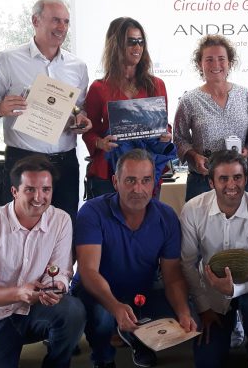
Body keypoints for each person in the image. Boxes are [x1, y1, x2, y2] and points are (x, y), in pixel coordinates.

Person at [73, 149, 197, 368]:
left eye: (145, 180)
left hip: (141, 290)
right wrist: (115, 306)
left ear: (154, 182)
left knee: (186, 310)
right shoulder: (92, 212)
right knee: (102, 317)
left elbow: (172, 278)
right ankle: (103, 357)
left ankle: (137, 339)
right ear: (115, 181)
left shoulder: (167, 216)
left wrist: (184, 312)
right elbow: (88, 272)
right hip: (97, 291)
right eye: (130, 180)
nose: (138, 189)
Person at [0, 155, 85, 368]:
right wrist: (19, 293)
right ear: (14, 191)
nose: (39, 197)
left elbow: (60, 270)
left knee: (72, 310)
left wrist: (55, 287)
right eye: (30, 189)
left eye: (46, 190)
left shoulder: (61, 220)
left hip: (34, 310)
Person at [0, 0, 91, 222]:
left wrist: (82, 121)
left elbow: (80, 110)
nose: (62, 28)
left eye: (66, 22)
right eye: (56, 20)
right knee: (21, 227)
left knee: (65, 225)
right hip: (23, 159)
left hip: (65, 161)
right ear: (35, 21)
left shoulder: (77, 67)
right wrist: (0, 108)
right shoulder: (7, 60)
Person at [180, 150, 248, 368]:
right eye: (223, 178)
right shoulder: (193, 210)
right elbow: (187, 263)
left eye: (238, 177)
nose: (232, 185)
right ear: (211, 182)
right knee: (207, 362)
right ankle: (230, 322)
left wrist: (234, 291)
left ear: (246, 178)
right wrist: (203, 308)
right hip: (210, 289)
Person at [83, 17, 173, 198]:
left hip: (145, 172)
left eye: (141, 42)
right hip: (108, 173)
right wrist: (101, 143)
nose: (137, 47)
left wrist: (166, 135)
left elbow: (163, 125)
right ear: (115, 45)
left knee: (145, 225)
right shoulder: (99, 88)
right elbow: (88, 131)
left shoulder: (157, 85)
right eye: (131, 42)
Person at [174, 35, 248, 201]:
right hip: (202, 181)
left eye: (221, 59)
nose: (216, 65)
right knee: (201, 227)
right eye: (209, 59)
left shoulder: (245, 95)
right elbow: (179, 139)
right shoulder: (189, 100)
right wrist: (194, 157)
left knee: (243, 227)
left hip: (239, 179)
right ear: (200, 64)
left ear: (229, 63)